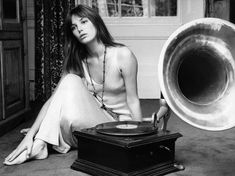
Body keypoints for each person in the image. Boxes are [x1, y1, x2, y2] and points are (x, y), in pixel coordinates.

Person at [3, 4, 143, 165]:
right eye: (74, 27)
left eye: (84, 22)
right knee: (69, 83)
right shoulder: (78, 59)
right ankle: (40, 141)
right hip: (93, 122)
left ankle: (42, 140)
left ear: (96, 22)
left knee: (63, 113)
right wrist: (29, 135)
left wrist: (141, 138)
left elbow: (133, 100)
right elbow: (54, 100)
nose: (80, 29)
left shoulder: (123, 55)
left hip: (119, 124)